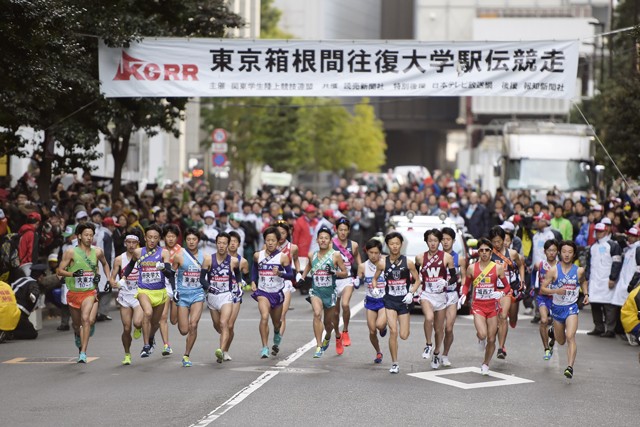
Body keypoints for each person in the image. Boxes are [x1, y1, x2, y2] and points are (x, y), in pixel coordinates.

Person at [57, 223, 114, 363]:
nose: (89, 238)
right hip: (74, 293)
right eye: (86, 235)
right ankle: (78, 335)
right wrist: (73, 274)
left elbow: (105, 263)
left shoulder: (98, 251)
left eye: (91, 235)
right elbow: (59, 271)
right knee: (77, 325)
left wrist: (109, 279)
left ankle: (83, 352)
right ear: (79, 236)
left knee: (86, 319)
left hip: (90, 292)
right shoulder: (70, 252)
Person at [120, 224, 175, 358]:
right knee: (148, 313)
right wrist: (123, 277)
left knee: (155, 323)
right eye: (149, 237)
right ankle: (145, 346)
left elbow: (169, 274)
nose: (152, 240)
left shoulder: (164, 253)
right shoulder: (138, 252)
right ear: (145, 238)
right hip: (144, 290)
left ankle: (151, 338)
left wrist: (163, 269)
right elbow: (130, 266)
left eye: (155, 238)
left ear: (159, 239)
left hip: (160, 292)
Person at [373, 231, 421, 374]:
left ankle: (394, 329)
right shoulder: (382, 263)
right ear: (387, 245)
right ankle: (394, 363)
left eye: (397, 244)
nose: (394, 246)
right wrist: (375, 288)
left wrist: (411, 293)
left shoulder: (409, 262)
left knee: (404, 335)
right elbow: (375, 278)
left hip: (403, 301)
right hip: (390, 300)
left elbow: (418, 280)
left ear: (401, 245)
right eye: (391, 244)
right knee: (393, 331)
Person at [459, 238, 508, 375]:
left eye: (487, 250)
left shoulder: (497, 268)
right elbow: (467, 285)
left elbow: (507, 286)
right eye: (482, 250)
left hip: (492, 306)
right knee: (483, 334)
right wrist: (463, 294)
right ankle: (480, 338)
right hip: (478, 306)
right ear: (478, 252)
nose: (484, 253)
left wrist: (501, 293)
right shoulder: (471, 268)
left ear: (491, 252)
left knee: (492, 338)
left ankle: (486, 363)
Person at [540, 240, 589, 379]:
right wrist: (556, 290)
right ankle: (553, 333)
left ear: (574, 254)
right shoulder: (554, 270)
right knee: (560, 341)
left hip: (571, 308)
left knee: (570, 337)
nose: (566, 255)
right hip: (557, 309)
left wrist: (586, 294)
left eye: (570, 252)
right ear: (560, 253)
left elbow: (584, 281)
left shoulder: (579, 270)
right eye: (564, 252)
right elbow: (543, 289)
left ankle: (569, 367)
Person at [300, 226, 348, 358]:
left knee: (329, 323)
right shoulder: (312, 255)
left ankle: (327, 336)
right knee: (316, 314)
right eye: (321, 238)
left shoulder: (336, 255)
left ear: (330, 240)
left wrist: (334, 272)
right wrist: (302, 276)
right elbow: (309, 265)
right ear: (317, 240)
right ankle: (319, 346)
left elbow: (345, 273)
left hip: (330, 293)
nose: (323, 240)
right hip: (316, 291)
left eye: (326, 238)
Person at [415, 228, 456, 370]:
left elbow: (455, 278)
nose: (433, 244)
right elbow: (414, 275)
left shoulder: (447, 257)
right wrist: (413, 289)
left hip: (441, 297)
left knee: (439, 330)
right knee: (428, 317)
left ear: (439, 242)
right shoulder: (420, 257)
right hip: (426, 294)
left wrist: (446, 282)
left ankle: (437, 352)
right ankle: (428, 344)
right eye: (430, 241)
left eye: (435, 241)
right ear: (426, 241)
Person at [251, 226, 293, 358]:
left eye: (273, 240)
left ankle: (276, 332)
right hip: (263, 292)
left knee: (277, 323)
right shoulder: (258, 255)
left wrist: (280, 273)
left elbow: (291, 275)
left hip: (277, 293)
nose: (270, 243)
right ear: (265, 241)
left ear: (278, 241)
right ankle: (264, 347)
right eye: (268, 240)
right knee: (264, 316)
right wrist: (253, 281)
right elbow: (254, 268)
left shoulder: (283, 257)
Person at [172, 228, 208, 367]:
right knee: (184, 330)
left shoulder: (205, 257)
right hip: (182, 294)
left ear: (198, 241)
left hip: (197, 293)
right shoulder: (179, 256)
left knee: (193, 325)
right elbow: (172, 274)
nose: (191, 242)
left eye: (194, 239)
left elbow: (206, 276)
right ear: (185, 241)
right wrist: (174, 290)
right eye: (189, 239)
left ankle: (186, 355)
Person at [489, 226, 525, 360]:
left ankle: (501, 347)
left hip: (507, 290)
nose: (497, 244)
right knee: (494, 320)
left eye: (499, 241)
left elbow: (521, 264)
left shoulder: (512, 253)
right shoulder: (488, 253)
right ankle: (490, 339)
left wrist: (522, 280)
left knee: (503, 317)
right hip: (491, 290)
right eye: (494, 242)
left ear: (504, 240)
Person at [205, 232, 238, 363]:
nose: (221, 245)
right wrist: (208, 286)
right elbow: (202, 278)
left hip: (226, 295)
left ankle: (221, 350)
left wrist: (240, 284)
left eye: (224, 243)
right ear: (216, 244)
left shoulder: (233, 261)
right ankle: (224, 342)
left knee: (225, 323)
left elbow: (239, 275)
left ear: (228, 245)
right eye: (219, 243)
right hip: (212, 297)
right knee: (218, 326)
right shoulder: (208, 259)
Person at [111, 233, 143, 365]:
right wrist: (113, 282)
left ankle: (139, 327)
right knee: (126, 328)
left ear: (137, 243)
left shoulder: (142, 257)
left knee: (137, 322)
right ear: (125, 243)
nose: (131, 245)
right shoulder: (119, 259)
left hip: (139, 295)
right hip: (124, 295)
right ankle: (127, 354)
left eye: (133, 242)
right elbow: (112, 276)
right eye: (128, 242)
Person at [586, 222, 622, 337]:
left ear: (606, 231)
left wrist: (613, 278)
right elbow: (588, 264)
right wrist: (586, 278)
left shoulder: (613, 245)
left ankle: (610, 329)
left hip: (607, 280)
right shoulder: (593, 247)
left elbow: (617, 263)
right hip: (594, 280)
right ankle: (598, 327)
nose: (598, 233)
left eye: (600, 231)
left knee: (609, 306)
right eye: (597, 231)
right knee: (595, 304)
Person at [332, 217, 362, 348]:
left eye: (345, 230)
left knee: (345, 304)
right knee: (334, 312)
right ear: (336, 230)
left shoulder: (354, 245)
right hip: (333, 280)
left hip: (347, 280)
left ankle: (345, 330)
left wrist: (359, 277)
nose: (343, 232)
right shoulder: (330, 244)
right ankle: (337, 335)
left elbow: (359, 263)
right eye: (340, 230)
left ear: (349, 231)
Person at [358, 238, 387, 363]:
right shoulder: (363, 266)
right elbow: (357, 280)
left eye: (376, 253)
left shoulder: (385, 263)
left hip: (384, 300)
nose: (373, 255)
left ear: (380, 252)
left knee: (379, 325)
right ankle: (378, 352)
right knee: (371, 330)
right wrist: (355, 281)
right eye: (371, 252)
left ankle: (383, 327)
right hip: (370, 301)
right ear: (367, 252)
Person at [274, 221, 300, 355]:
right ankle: (274, 332)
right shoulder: (269, 245)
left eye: (283, 233)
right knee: (272, 317)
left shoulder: (293, 247)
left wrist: (299, 272)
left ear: (287, 233)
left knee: (282, 316)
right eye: (278, 233)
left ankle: (277, 342)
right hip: (271, 283)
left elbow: (296, 260)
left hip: (286, 282)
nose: (281, 235)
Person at [441, 226, 466, 367]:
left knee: (449, 328)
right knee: (438, 328)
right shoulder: (436, 257)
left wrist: (462, 289)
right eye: (443, 239)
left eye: (448, 239)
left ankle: (445, 354)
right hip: (437, 296)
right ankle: (437, 350)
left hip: (451, 295)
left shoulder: (459, 259)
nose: (445, 242)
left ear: (453, 241)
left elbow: (463, 277)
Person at [225, 230, 250, 361]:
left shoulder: (243, 261)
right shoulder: (221, 258)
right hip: (221, 293)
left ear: (239, 244)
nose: (233, 244)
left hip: (235, 294)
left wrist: (244, 282)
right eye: (231, 241)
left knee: (229, 325)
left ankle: (224, 350)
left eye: (235, 242)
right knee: (220, 325)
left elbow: (246, 275)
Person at [158, 223, 182, 356]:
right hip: (165, 284)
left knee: (174, 320)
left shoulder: (182, 251)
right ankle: (166, 345)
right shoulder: (160, 251)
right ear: (164, 238)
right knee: (163, 317)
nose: (171, 239)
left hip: (178, 285)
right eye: (168, 236)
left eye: (173, 236)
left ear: (177, 237)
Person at [533, 239, 559, 360]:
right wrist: (534, 286)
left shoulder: (560, 266)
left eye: (554, 250)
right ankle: (546, 349)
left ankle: (552, 341)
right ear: (545, 251)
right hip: (543, 297)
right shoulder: (540, 265)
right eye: (549, 250)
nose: (551, 253)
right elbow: (533, 273)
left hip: (556, 298)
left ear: (557, 252)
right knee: (544, 321)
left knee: (557, 326)